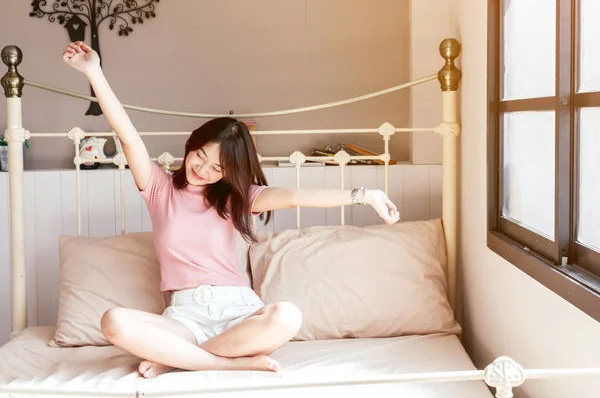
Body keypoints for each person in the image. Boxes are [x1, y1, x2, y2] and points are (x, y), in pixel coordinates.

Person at [62, 41, 401, 379]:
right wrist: (93, 71)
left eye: (217, 168)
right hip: (186, 318)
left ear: (229, 173)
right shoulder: (158, 188)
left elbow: (296, 195)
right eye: (200, 156)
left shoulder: (237, 198)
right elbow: (128, 136)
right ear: (192, 144)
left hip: (238, 312)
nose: (203, 170)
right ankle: (224, 361)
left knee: (287, 317)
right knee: (114, 322)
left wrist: (364, 194)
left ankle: (177, 359)